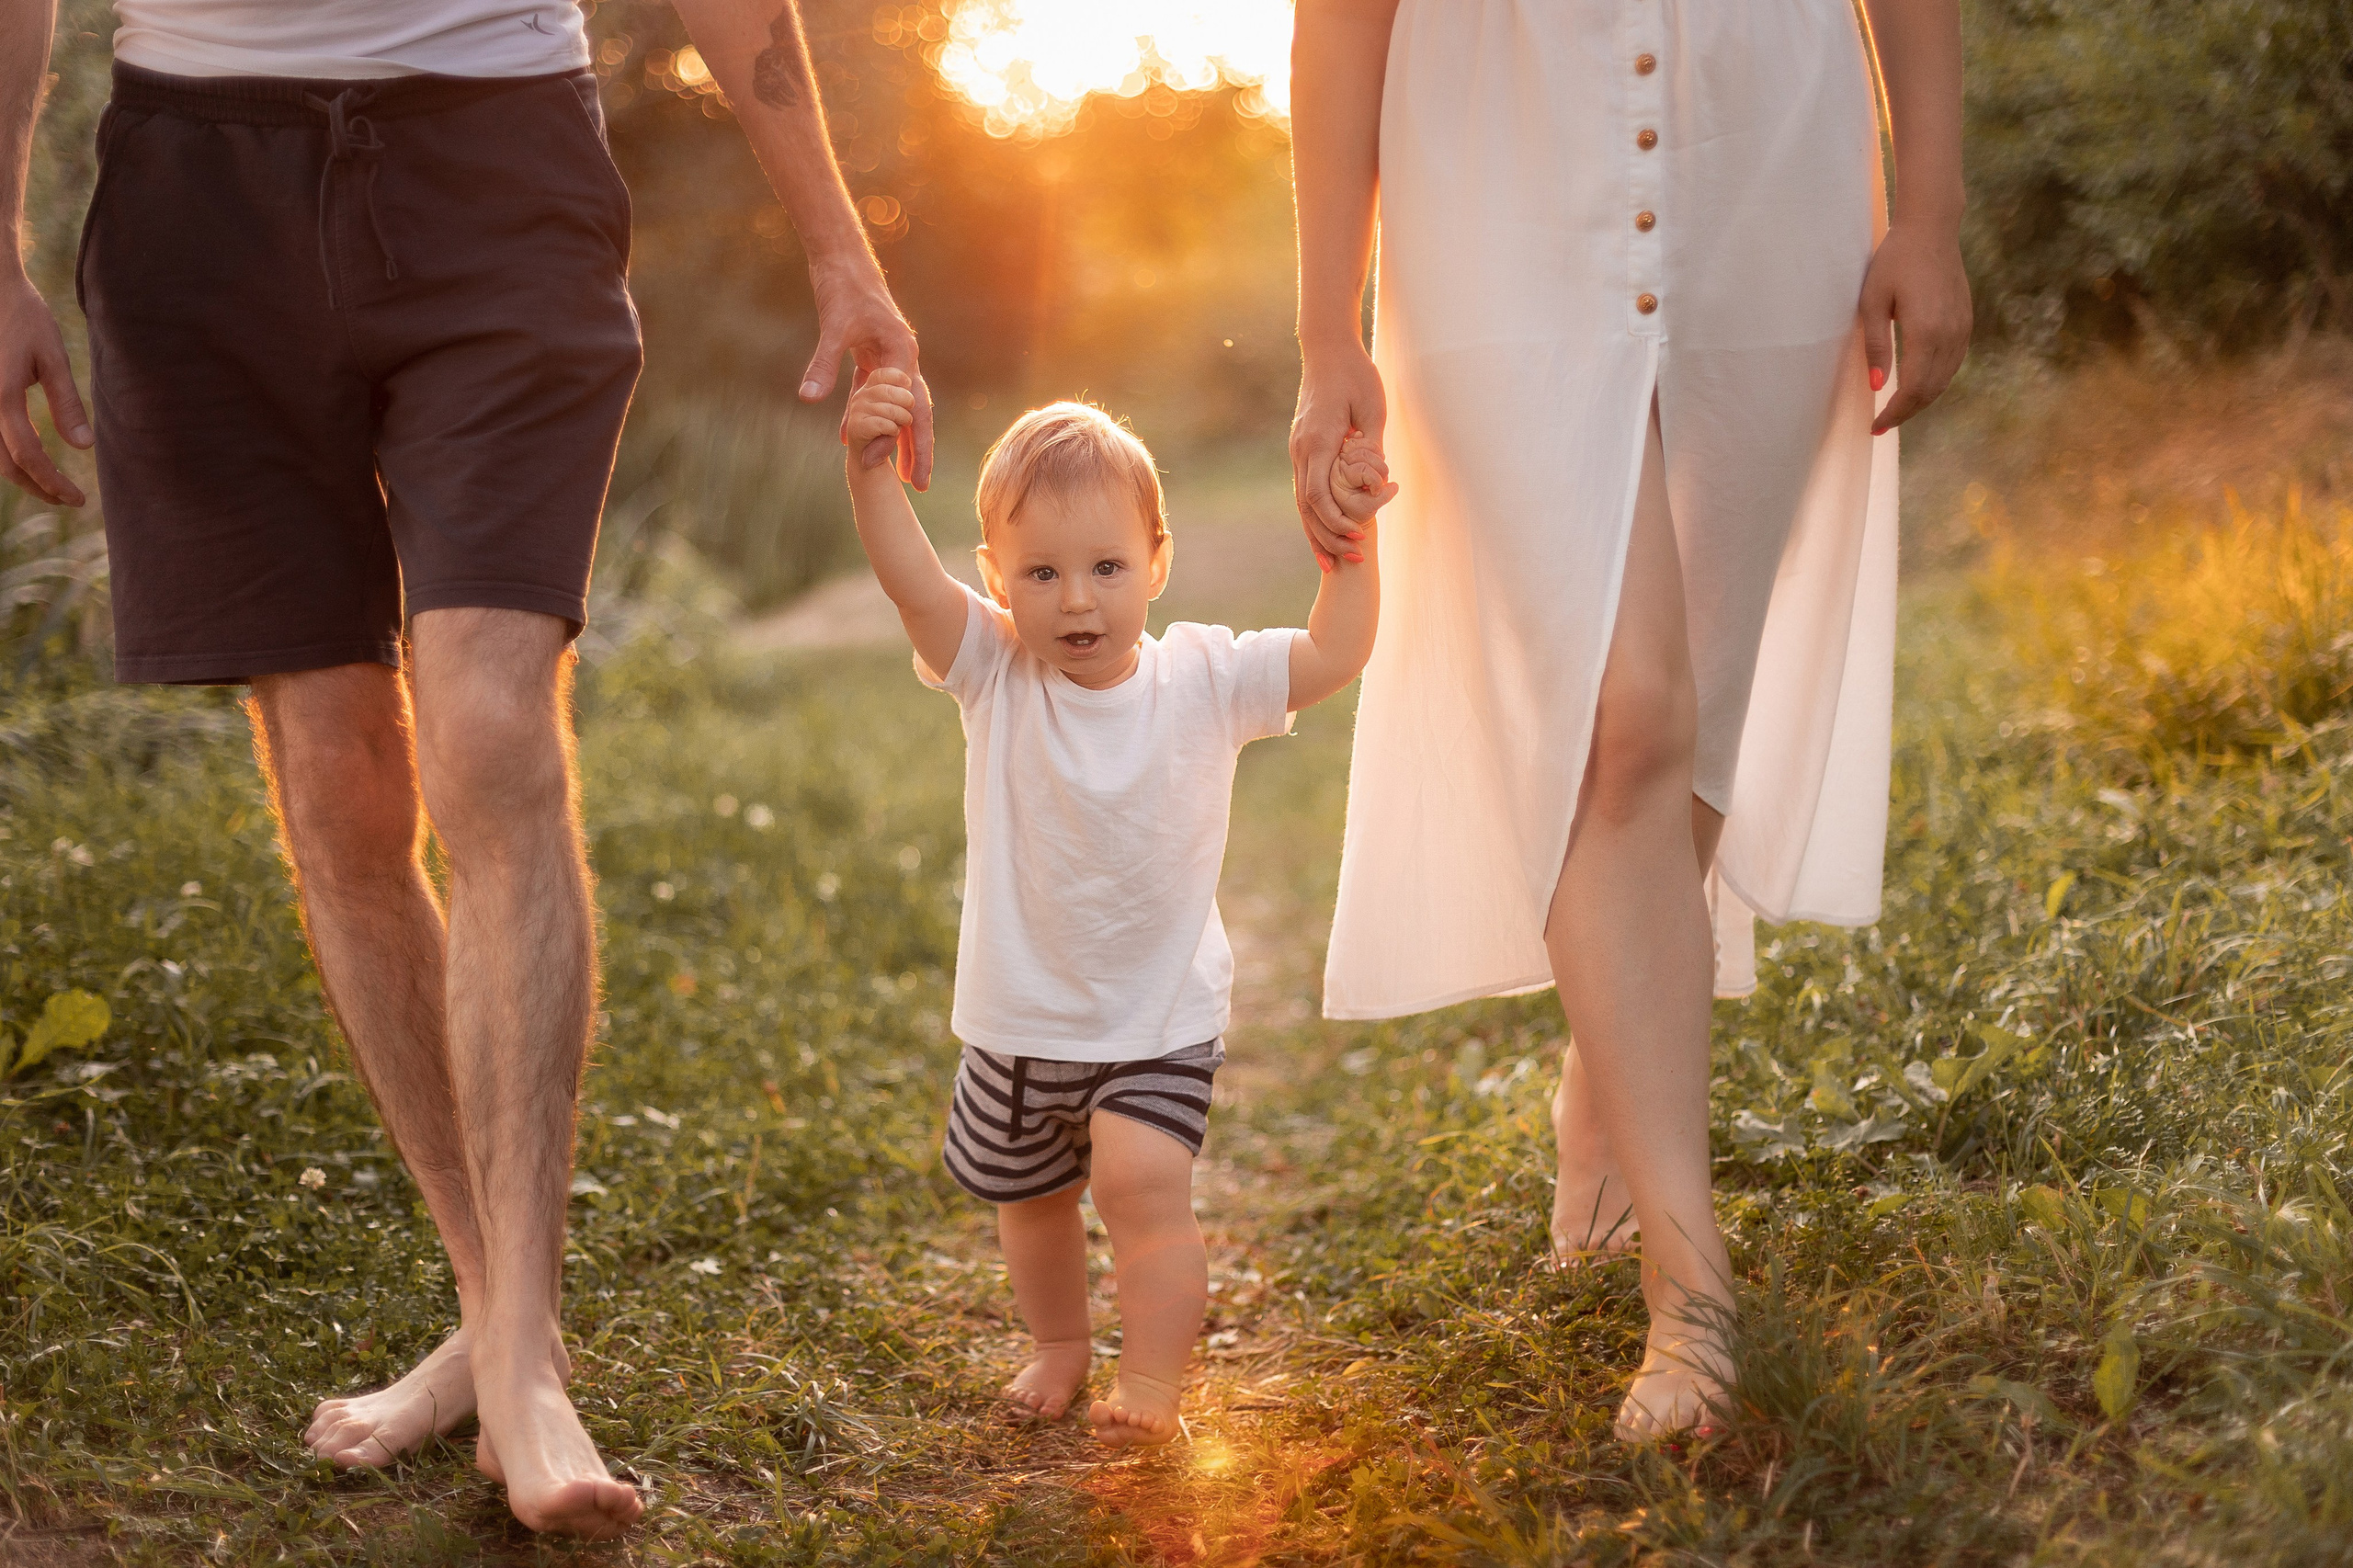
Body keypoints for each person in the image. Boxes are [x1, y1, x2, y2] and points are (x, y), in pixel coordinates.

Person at [0, 0, 931, 1539]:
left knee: (492, 733)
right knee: (335, 779)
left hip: (496, 153)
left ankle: (520, 1355)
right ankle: (497, 1321)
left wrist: (840, 242)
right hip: (196, 199)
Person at [1289, 0, 1972, 1440]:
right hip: (1491, 161)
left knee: (1698, 697)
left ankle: (1608, 1090)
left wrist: (1930, 215)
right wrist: (1323, 327)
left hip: (1769, 149)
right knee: (1626, 709)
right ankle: (1689, 1289)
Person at [840, 369, 1388, 1445]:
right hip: (1017, 1022)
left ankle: (1150, 1381)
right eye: (1040, 572)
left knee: (1142, 1186)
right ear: (997, 579)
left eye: (1105, 566)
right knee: (1031, 1202)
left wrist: (1352, 550)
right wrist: (869, 472)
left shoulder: (1205, 676)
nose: (1077, 599)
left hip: (1155, 1019)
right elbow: (910, 583)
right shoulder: (994, 668)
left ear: (1156, 561)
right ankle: (1058, 1341)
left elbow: (1335, 652)